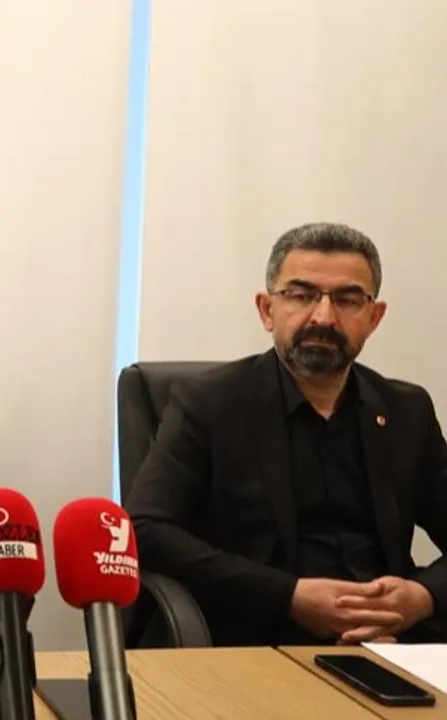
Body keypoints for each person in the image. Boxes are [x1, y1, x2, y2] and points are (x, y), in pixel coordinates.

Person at [128, 222, 446, 647]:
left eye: (348, 300)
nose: (323, 317)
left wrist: (423, 597)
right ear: (266, 310)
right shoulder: (210, 403)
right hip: (256, 640)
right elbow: (145, 529)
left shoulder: (407, 411)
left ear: (374, 317)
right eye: (300, 295)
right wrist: (288, 597)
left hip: (390, 642)